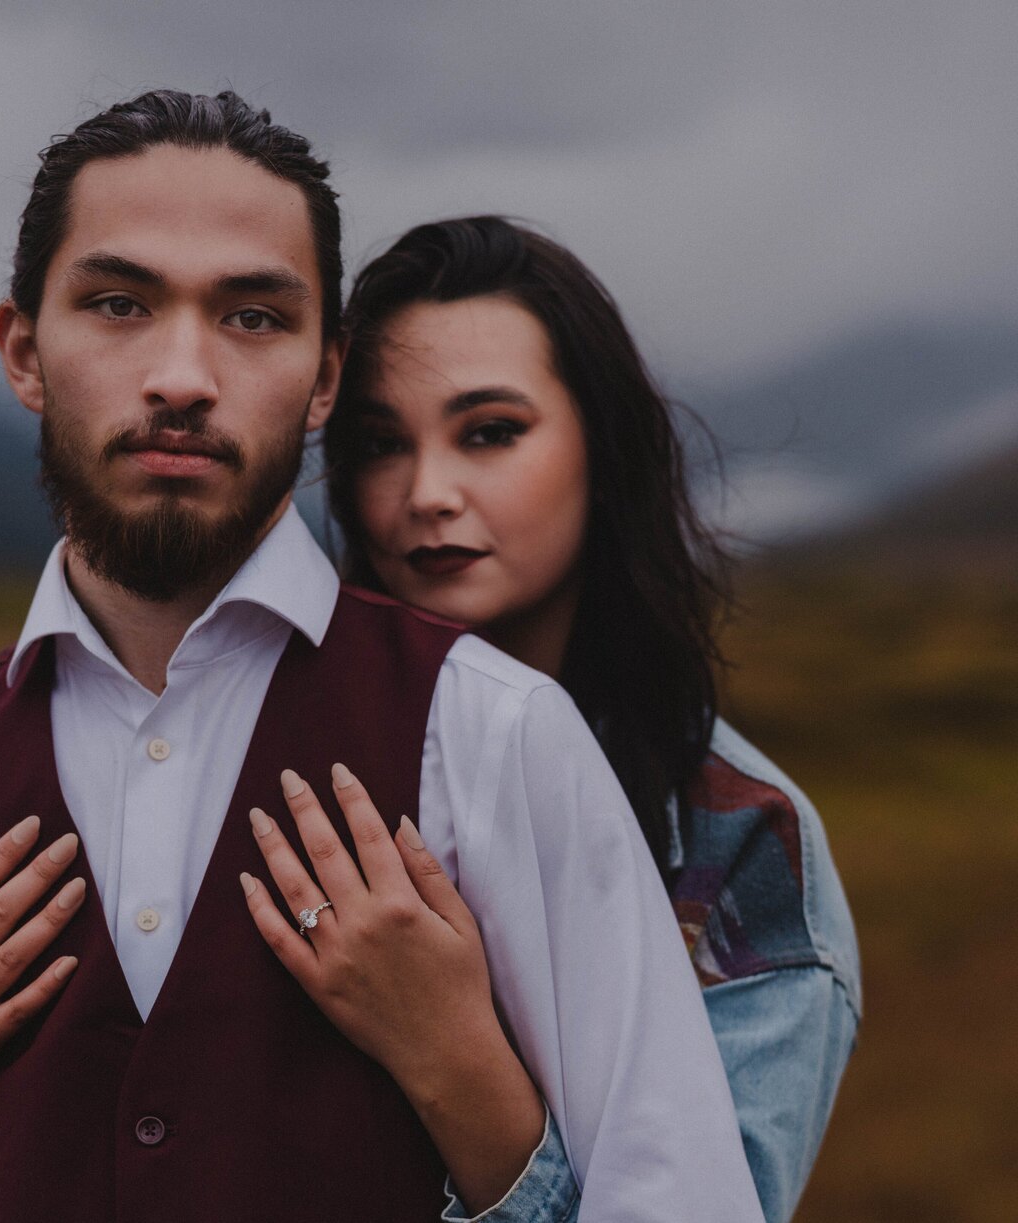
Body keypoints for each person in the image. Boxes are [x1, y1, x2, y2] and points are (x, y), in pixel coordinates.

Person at [0, 91, 764, 1223]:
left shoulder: (497, 738)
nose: (181, 376)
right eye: (119, 303)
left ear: (324, 377)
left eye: (253, 316)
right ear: (24, 349)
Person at [314, 215, 862, 1222]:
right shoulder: (291, 769)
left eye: (489, 431)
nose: (428, 493)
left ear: (600, 448)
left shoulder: (737, 850)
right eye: (382, 444)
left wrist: (453, 1059)